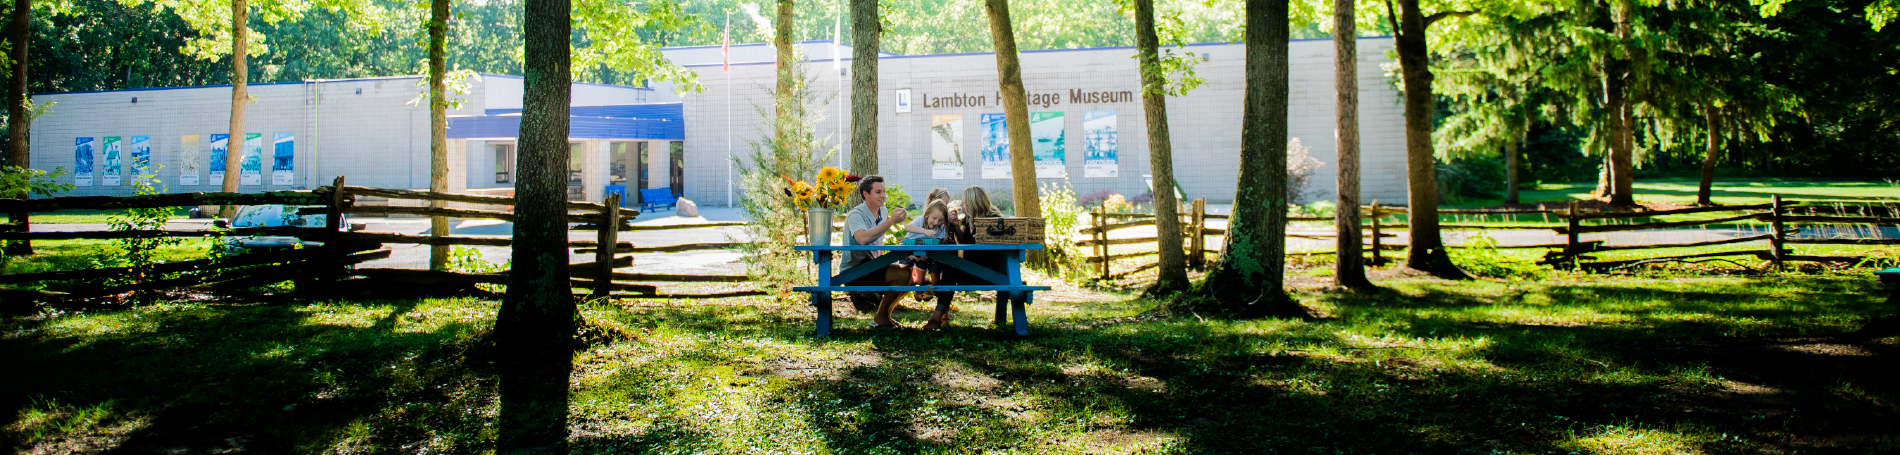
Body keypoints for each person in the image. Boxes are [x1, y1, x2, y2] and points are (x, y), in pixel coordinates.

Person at [920, 186, 1007, 330]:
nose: (961, 205)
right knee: (948, 269)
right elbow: (964, 244)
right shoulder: (968, 220)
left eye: (964, 202)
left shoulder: (993, 221)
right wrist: (955, 226)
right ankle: (938, 317)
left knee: (950, 270)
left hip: (990, 273)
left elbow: (975, 246)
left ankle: (937, 318)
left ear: (973, 203)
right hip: (971, 270)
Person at [840, 175, 912, 328]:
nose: (883, 196)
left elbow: (877, 241)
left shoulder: (883, 211)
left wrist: (885, 261)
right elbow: (862, 239)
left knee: (909, 276)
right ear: (866, 194)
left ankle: (884, 316)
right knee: (902, 275)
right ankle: (881, 317)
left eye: (884, 191)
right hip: (855, 270)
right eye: (878, 192)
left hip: (872, 266)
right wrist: (891, 221)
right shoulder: (856, 215)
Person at [898, 200, 951, 302]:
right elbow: (907, 227)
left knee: (920, 281)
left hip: (923, 255)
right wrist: (925, 231)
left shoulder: (941, 227)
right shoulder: (919, 220)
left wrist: (925, 254)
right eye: (934, 218)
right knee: (907, 282)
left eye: (940, 220)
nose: (936, 223)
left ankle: (927, 286)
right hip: (907, 252)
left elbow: (936, 243)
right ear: (927, 214)